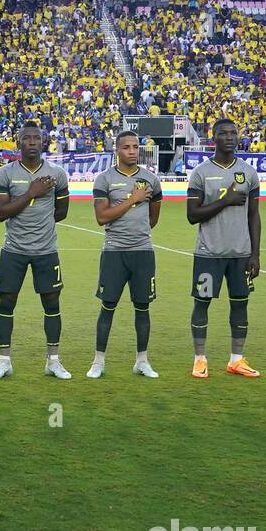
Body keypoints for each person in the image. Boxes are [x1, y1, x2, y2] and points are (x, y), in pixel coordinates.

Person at [0, 120, 72, 380]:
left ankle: (53, 361)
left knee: (51, 301)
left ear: (43, 141)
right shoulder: (5, 173)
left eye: (37, 138)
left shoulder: (57, 174)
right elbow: (1, 213)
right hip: (14, 250)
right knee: (7, 301)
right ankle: (4, 361)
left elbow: (62, 212)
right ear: (18, 141)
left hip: (46, 250)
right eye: (27, 138)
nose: (33, 143)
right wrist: (32, 193)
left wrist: (39, 218)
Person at [186, 118, 262, 378]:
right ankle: (199, 359)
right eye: (224, 133)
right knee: (202, 303)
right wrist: (225, 199)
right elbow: (192, 215)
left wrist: (255, 253)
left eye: (233, 133)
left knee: (240, 304)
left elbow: (254, 215)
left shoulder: (249, 173)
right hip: (209, 254)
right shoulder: (201, 173)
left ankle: (236, 360)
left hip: (240, 255)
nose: (230, 137)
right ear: (213, 138)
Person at [88, 131, 163, 379]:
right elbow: (102, 217)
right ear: (117, 151)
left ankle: (142, 360)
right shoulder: (105, 179)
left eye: (135, 147)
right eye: (126, 147)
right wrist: (133, 200)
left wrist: (137, 221)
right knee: (107, 306)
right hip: (114, 251)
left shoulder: (151, 179)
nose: (132, 151)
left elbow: (153, 217)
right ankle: (98, 361)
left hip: (142, 251)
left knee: (142, 307)